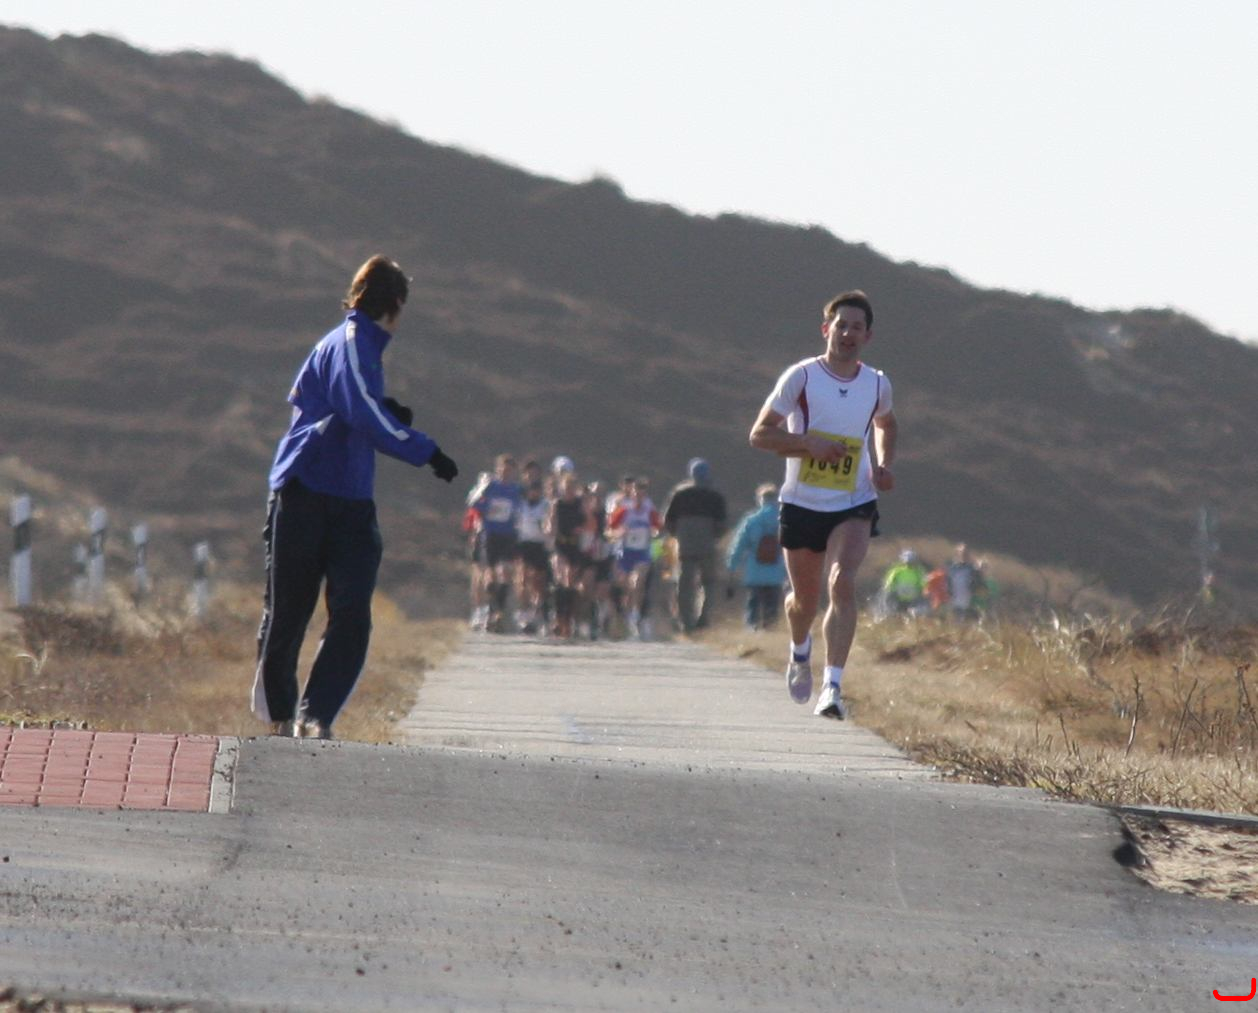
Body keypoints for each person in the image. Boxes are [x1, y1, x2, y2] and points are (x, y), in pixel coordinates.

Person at [251, 255, 458, 739]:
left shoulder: (361, 345)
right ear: (396, 304)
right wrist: (426, 450)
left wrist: (386, 408)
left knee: (352, 611)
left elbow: (346, 403)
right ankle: (281, 715)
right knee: (289, 611)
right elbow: (360, 410)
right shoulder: (349, 340)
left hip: (351, 497)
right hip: (305, 490)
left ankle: (314, 716)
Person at [748, 289, 897, 720]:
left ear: (867, 336)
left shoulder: (877, 384)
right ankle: (799, 650)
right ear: (826, 329)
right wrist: (807, 444)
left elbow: (887, 424)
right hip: (802, 502)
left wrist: (883, 465)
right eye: (841, 325)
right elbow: (759, 435)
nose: (847, 333)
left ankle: (832, 687)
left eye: (857, 327)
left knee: (842, 582)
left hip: (854, 500)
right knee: (804, 601)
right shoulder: (802, 377)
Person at [663, 458, 727, 631]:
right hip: (707, 546)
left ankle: (686, 622)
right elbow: (722, 525)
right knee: (709, 583)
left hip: (685, 546)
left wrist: (678, 535)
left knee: (685, 585)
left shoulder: (680, 494)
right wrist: (713, 537)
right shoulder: (715, 496)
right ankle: (703, 619)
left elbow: (668, 521)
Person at [470, 454, 522, 633]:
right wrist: (482, 488)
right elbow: (473, 503)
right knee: (490, 577)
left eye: (509, 470)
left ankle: (498, 612)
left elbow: (521, 510)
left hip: (508, 536)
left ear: (514, 472)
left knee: (506, 573)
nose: (506, 473)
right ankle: (490, 609)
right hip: (490, 535)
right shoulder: (490, 486)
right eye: (503, 470)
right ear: (498, 470)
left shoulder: (517, 490)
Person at [606, 477, 663, 639]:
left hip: (642, 553)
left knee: (638, 583)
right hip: (625, 553)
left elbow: (659, 527)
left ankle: (635, 617)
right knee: (626, 587)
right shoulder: (624, 510)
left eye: (641, 494)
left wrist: (654, 532)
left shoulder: (649, 510)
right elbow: (609, 531)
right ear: (631, 494)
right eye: (636, 494)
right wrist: (619, 533)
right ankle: (626, 616)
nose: (638, 497)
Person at [726, 483, 787, 630]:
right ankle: (770, 630)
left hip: (754, 571)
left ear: (760, 499)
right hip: (776, 571)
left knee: (753, 603)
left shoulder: (752, 520)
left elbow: (739, 545)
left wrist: (732, 565)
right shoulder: (784, 519)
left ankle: (752, 630)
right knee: (771, 606)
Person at [881, 549, 928, 616]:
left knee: (913, 613)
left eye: (911, 562)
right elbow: (889, 582)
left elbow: (924, 583)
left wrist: (925, 590)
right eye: (908, 563)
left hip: (913, 599)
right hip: (898, 597)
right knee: (896, 612)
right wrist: (889, 589)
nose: (909, 565)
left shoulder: (918, 572)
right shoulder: (897, 571)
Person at [946, 543, 982, 622]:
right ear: (957, 554)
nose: (964, 555)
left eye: (966, 553)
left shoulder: (973, 570)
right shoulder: (952, 569)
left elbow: (979, 587)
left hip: (969, 605)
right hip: (954, 604)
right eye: (961, 553)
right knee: (955, 625)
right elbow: (947, 585)